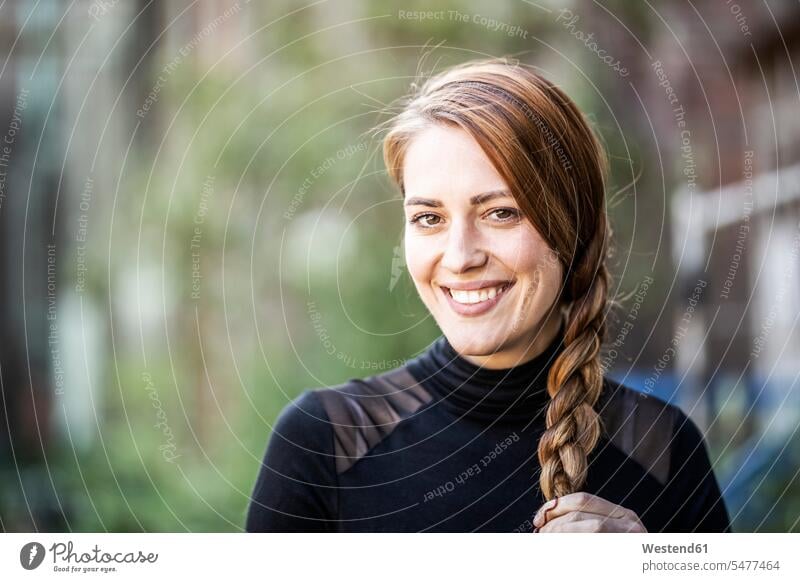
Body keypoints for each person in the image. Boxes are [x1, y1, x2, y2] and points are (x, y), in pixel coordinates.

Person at [245, 57, 732, 533]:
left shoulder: (662, 447)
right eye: (429, 218)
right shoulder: (325, 443)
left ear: (573, 228)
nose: (459, 257)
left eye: (501, 213)